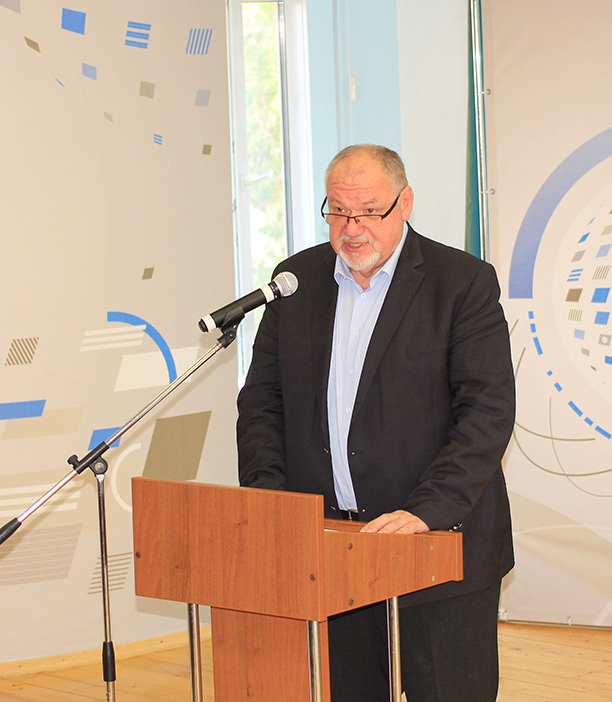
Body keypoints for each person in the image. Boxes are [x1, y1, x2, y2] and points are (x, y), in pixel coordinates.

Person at [236, 144, 515, 702]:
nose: (352, 228)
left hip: (436, 549)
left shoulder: (460, 282)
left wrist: (426, 511)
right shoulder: (297, 281)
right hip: (332, 552)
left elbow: (486, 412)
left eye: (368, 211)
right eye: (338, 211)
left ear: (404, 203)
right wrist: (274, 506)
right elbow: (262, 403)